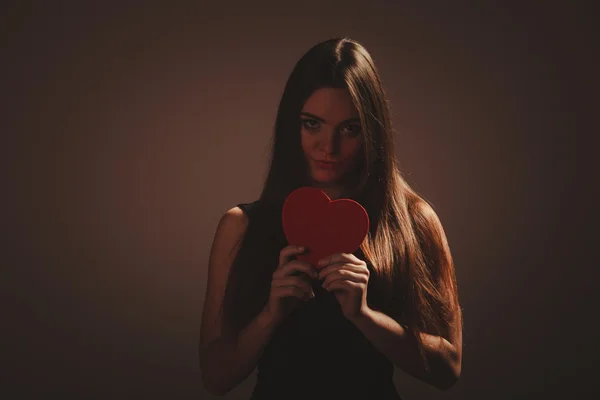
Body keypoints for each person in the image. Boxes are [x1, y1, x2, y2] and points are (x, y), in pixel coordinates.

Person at [199, 37, 462, 399]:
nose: (329, 147)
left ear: (373, 131)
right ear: (291, 125)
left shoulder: (414, 221)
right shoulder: (241, 226)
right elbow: (215, 376)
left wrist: (366, 316)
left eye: (350, 129)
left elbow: (449, 367)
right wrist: (270, 316)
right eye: (313, 124)